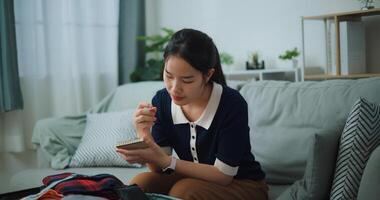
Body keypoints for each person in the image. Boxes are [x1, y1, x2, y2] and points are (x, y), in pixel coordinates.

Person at [116, 28, 268, 200]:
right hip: (195, 179)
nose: (174, 88)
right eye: (168, 75)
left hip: (243, 184)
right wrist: (143, 133)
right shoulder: (162, 101)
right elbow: (158, 167)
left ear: (208, 75)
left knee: (184, 191)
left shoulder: (231, 104)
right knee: (141, 183)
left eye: (187, 80)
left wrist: (168, 162)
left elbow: (223, 176)